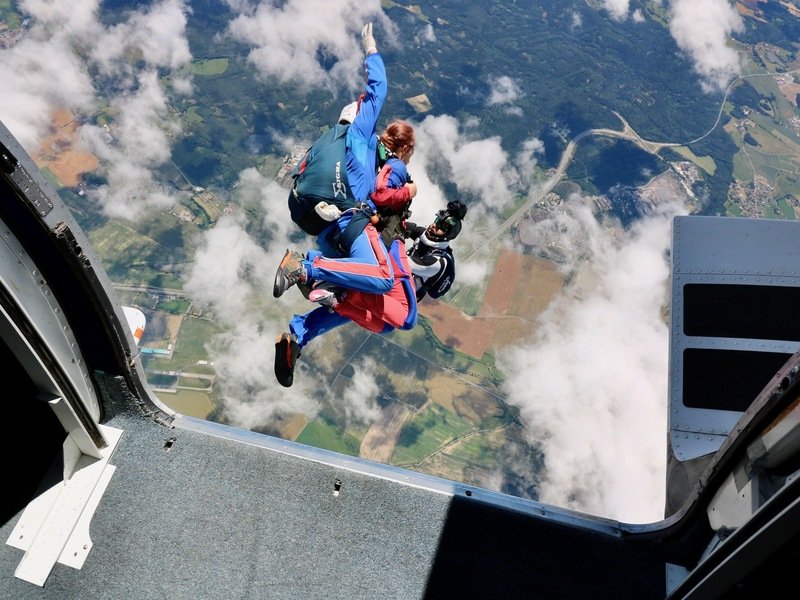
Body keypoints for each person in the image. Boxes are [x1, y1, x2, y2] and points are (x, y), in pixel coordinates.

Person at [273, 23, 417, 300]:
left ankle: (324, 280)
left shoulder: (326, 141)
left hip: (319, 219)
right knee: (383, 278)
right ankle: (305, 268)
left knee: (355, 275)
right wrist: (371, 49)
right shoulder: (359, 132)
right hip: (344, 220)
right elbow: (378, 89)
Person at [273, 204, 467, 387]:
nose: (434, 226)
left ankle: (298, 336)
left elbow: (409, 245)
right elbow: (406, 264)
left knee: (381, 323)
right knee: (407, 319)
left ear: (448, 235)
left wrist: (396, 229)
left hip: (392, 275)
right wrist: (393, 231)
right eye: (437, 220)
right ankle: (313, 271)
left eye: (441, 226)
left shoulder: (438, 260)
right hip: (392, 273)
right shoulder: (433, 251)